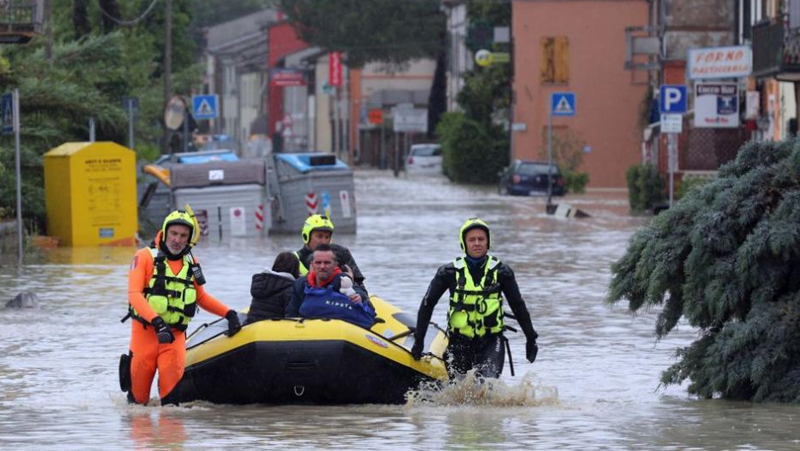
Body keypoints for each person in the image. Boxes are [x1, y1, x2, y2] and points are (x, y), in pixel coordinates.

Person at [120, 208, 242, 406]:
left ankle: (171, 436)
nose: (177, 240)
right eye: (174, 234)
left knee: (171, 406)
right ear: (166, 232)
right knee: (137, 405)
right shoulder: (143, 257)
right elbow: (134, 295)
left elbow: (201, 297)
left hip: (174, 337)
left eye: (183, 236)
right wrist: (157, 322)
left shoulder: (192, 262)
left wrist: (229, 313)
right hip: (146, 335)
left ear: (189, 239)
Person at [411, 218, 539, 379]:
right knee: (459, 391)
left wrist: (530, 338)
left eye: (481, 239)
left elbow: (518, 306)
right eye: (472, 239)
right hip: (459, 343)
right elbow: (427, 304)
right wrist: (419, 340)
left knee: (486, 387)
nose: (477, 243)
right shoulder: (448, 273)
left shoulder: (502, 272)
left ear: (488, 242)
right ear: (464, 243)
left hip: (491, 342)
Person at [285, 244, 374, 328]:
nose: (322, 266)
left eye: (327, 263)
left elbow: (359, 291)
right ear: (312, 264)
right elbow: (291, 314)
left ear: (335, 264)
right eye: (318, 263)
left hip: (337, 331)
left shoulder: (343, 281)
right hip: (307, 331)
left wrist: (359, 297)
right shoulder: (300, 284)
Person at [295, 214, 365, 285]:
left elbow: (361, 289)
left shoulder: (342, 253)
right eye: (319, 236)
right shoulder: (294, 260)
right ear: (306, 236)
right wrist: (311, 277)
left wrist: (350, 282)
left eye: (327, 237)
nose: (324, 241)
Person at [245, 252, 300, 324]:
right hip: (273, 330)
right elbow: (290, 317)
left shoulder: (261, 283)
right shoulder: (290, 288)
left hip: (251, 326)